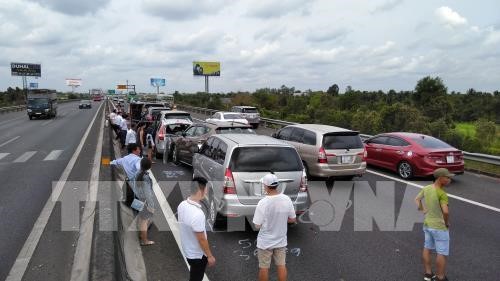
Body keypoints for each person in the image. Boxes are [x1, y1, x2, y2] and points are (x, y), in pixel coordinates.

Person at [253, 173, 296, 281]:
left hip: (265, 242)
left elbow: (257, 225)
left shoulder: (263, 203)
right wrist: (281, 219)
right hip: (281, 240)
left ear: (266, 186)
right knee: (281, 265)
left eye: (263, 184)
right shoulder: (286, 199)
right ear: (276, 185)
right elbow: (292, 219)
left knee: (264, 268)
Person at [415, 168, 453, 281]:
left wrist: (423, 210)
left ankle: (428, 274)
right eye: (447, 177)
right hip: (439, 227)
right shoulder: (442, 194)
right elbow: (446, 211)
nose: (449, 180)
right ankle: (440, 277)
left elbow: (417, 199)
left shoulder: (426, 188)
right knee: (441, 252)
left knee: (427, 248)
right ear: (440, 178)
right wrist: (446, 223)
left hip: (427, 224)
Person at [178, 177, 216, 281]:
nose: (207, 191)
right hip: (197, 256)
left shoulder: (182, 205)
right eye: (206, 188)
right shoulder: (198, 214)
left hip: (187, 250)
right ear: (200, 191)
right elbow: (201, 239)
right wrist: (210, 256)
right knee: (196, 278)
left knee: (194, 275)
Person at [132, 158, 155, 246]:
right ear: (149, 167)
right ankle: (145, 240)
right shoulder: (146, 178)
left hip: (137, 199)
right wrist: (151, 206)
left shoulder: (137, 173)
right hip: (144, 201)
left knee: (141, 219)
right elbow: (148, 194)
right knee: (144, 221)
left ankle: (141, 235)